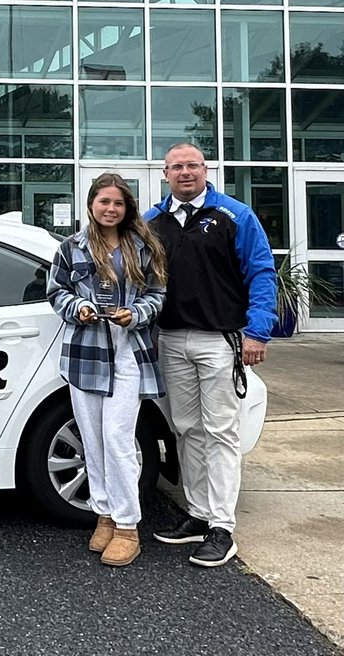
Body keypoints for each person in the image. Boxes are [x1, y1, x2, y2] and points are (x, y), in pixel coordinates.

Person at [144, 143, 276, 568]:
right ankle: (198, 515)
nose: (185, 172)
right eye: (177, 167)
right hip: (172, 340)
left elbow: (260, 272)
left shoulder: (235, 216)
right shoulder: (152, 221)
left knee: (221, 431)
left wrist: (257, 332)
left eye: (193, 166)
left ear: (206, 170)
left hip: (220, 340)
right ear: (165, 173)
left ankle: (222, 526)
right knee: (186, 429)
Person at [47, 172, 166, 567]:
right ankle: (105, 514)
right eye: (104, 202)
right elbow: (56, 291)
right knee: (92, 439)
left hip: (129, 350)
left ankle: (129, 525)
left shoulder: (143, 247)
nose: (111, 209)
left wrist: (136, 313)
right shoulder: (71, 248)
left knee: (117, 438)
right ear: (91, 205)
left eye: (118, 203)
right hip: (85, 352)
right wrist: (75, 308)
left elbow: (157, 294)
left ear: (126, 207)